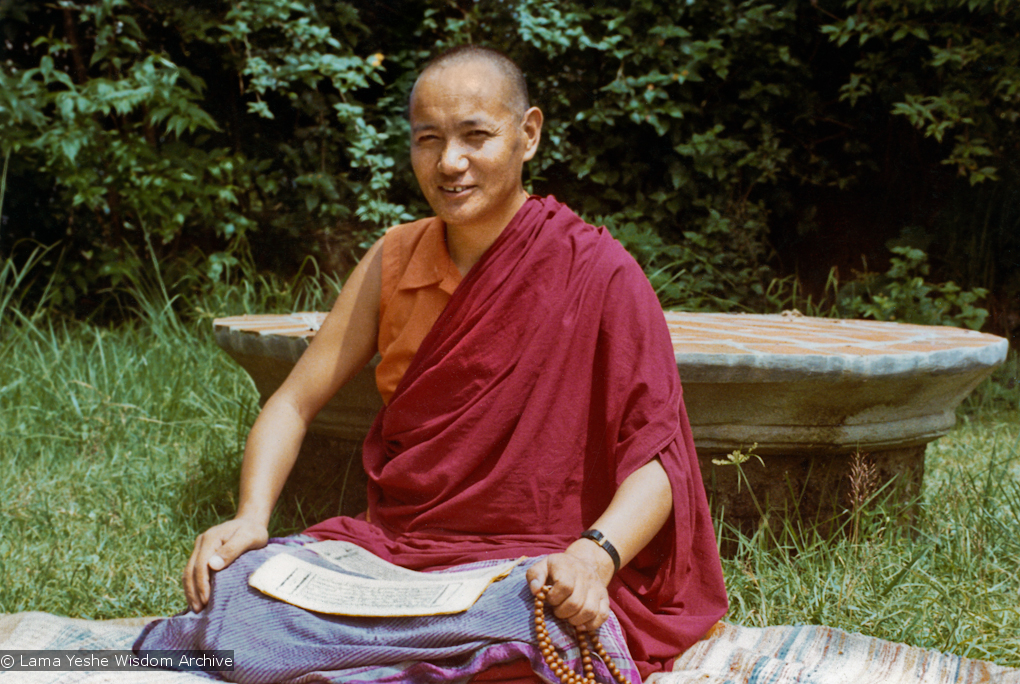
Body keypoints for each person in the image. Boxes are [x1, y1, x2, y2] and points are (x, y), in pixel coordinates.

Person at [135, 46, 728, 683]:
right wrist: (251, 517)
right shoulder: (395, 257)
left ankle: (363, 662)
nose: (449, 163)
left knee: (548, 618)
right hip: (397, 558)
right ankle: (426, 662)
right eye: (428, 140)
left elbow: (658, 459)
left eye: (476, 136)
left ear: (528, 134)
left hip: (526, 564)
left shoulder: (600, 271)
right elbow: (292, 401)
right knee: (239, 590)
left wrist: (595, 557)